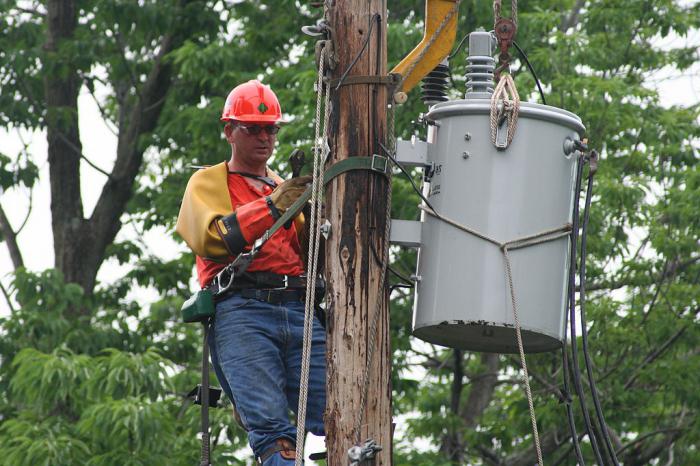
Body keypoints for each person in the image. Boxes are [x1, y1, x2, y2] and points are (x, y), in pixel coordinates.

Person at [176, 80, 326, 465]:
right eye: (252, 129)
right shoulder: (210, 182)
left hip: (300, 309)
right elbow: (212, 238)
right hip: (243, 312)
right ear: (229, 131)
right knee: (274, 436)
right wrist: (272, 207)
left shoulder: (285, 187)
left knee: (344, 419)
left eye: (270, 129)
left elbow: (315, 255)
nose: (264, 138)